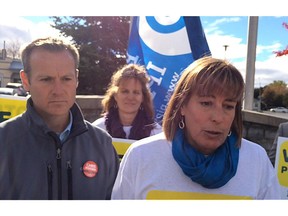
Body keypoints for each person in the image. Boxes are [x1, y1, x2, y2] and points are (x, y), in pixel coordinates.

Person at [111, 56, 281, 200]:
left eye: (228, 106)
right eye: (206, 103)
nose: (218, 117)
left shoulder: (256, 160)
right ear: (182, 105)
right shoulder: (141, 156)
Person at [0, 37, 119, 200]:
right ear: (25, 80)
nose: (58, 90)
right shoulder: (4, 142)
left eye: (66, 79)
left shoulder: (102, 145)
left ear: (76, 78)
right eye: (46, 79)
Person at [92, 64, 162, 140]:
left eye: (136, 92)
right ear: (115, 95)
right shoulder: (97, 130)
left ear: (143, 97)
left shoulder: (156, 133)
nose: (130, 97)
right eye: (125, 91)